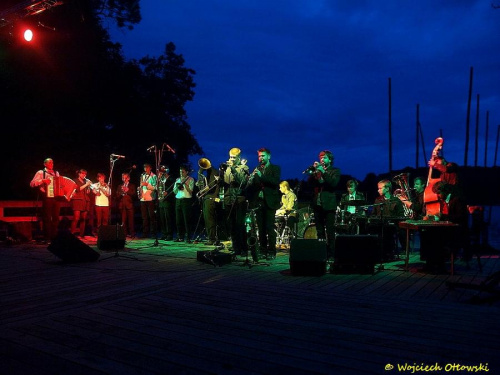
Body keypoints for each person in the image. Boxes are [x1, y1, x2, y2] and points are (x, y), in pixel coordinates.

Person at [248, 148, 281, 260]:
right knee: (261, 229)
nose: (261, 158)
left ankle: (272, 251)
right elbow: (254, 187)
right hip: (259, 202)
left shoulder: (275, 168)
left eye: (263, 156)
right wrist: (251, 179)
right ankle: (262, 250)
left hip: (270, 202)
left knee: (269, 228)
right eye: (259, 156)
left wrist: (262, 176)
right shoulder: (257, 169)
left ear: (269, 157)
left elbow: (275, 182)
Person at [307, 150, 340, 259]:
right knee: (319, 231)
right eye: (321, 157)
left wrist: (323, 172)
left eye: (324, 158)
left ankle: (332, 254)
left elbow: (333, 183)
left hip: (329, 205)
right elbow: (310, 184)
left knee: (330, 231)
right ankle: (322, 252)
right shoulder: (318, 172)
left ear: (330, 160)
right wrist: (314, 172)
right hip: (317, 204)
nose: (322, 159)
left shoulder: (335, 170)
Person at [222, 147, 249, 256]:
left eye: (234, 157)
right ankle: (235, 246)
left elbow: (240, 181)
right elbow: (227, 181)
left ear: (239, 157)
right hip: (229, 197)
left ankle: (243, 248)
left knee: (240, 224)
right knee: (232, 224)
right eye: (230, 157)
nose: (232, 159)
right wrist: (224, 171)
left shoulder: (244, 167)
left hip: (239, 198)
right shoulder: (227, 168)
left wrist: (233, 168)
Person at [371, 179, 405, 261]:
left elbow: (401, 215)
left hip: (392, 226)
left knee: (388, 231)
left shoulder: (396, 200)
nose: (378, 190)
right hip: (380, 225)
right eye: (378, 188)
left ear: (387, 189)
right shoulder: (377, 200)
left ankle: (388, 253)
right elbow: (373, 214)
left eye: (380, 188)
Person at [30, 158, 62, 242]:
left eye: (52, 162)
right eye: (50, 162)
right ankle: (47, 237)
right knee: (47, 217)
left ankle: (54, 236)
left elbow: (60, 184)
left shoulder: (56, 173)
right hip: (46, 196)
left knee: (56, 217)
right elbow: (32, 184)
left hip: (56, 197)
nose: (52, 164)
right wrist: (42, 181)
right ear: (45, 164)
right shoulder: (40, 172)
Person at [196, 159, 220, 245]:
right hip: (207, 197)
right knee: (207, 219)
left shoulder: (214, 171)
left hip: (211, 197)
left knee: (210, 219)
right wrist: (200, 174)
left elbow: (212, 185)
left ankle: (212, 238)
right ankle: (210, 237)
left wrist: (202, 190)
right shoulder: (208, 172)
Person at [173, 165, 195, 243]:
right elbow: (175, 191)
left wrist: (185, 184)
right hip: (178, 199)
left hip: (186, 200)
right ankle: (180, 236)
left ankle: (188, 237)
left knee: (186, 220)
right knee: (178, 220)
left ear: (186, 172)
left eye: (182, 172)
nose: (181, 173)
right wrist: (177, 186)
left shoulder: (191, 179)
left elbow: (191, 191)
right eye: (180, 172)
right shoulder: (177, 180)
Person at [70, 169, 92, 238]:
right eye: (82, 173)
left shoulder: (86, 181)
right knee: (76, 218)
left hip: (85, 201)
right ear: (79, 174)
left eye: (85, 174)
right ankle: (72, 233)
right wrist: (86, 184)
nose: (84, 175)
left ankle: (81, 234)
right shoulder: (75, 180)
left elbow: (88, 192)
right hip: (77, 200)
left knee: (83, 218)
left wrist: (89, 187)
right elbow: (78, 189)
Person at [139, 163, 157, 238]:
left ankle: (153, 233)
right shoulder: (142, 175)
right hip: (143, 198)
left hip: (150, 198)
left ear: (150, 168)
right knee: (144, 217)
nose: (145, 169)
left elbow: (155, 187)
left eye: (147, 167)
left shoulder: (154, 176)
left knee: (151, 216)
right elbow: (141, 185)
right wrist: (139, 190)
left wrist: (147, 185)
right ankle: (145, 233)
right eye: (144, 167)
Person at [157, 166, 176, 241]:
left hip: (168, 200)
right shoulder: (160, 179)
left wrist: (167, 192)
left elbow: (173, 189)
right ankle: (164, 233)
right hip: (161, 200)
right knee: (162, 218)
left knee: (168, 218)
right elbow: (157, 188)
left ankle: (169, 234)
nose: (161, 173)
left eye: (162, 172)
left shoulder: (171, 179)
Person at [116, 172, 136, 238]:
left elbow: (134, 195)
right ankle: (124, 234)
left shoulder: (132, 186)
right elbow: (117, 196)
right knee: (123, 221)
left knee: (131, 220)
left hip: (129, 205)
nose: (124, 179)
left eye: (125, 177)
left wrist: (128, 190)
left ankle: (132, 234)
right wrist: (121, 192)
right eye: (123, 177)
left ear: (129, 178)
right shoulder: (120, 186)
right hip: (122, 205)